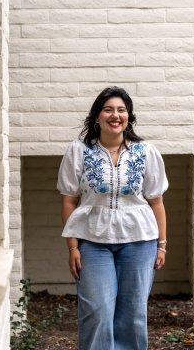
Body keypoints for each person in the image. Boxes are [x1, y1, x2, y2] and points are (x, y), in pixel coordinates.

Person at [57, 86, 168, 350]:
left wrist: (161, 244)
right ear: (97, 116)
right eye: (108, 109)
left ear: (128, 116)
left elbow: (157, 202)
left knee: (133, 314)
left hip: (140, 242)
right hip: (92, 243)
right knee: (96, 312)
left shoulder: (146, 152)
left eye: (121, 110)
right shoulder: (79, 151)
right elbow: (69, 200)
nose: (115, 115)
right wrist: (72, 247)